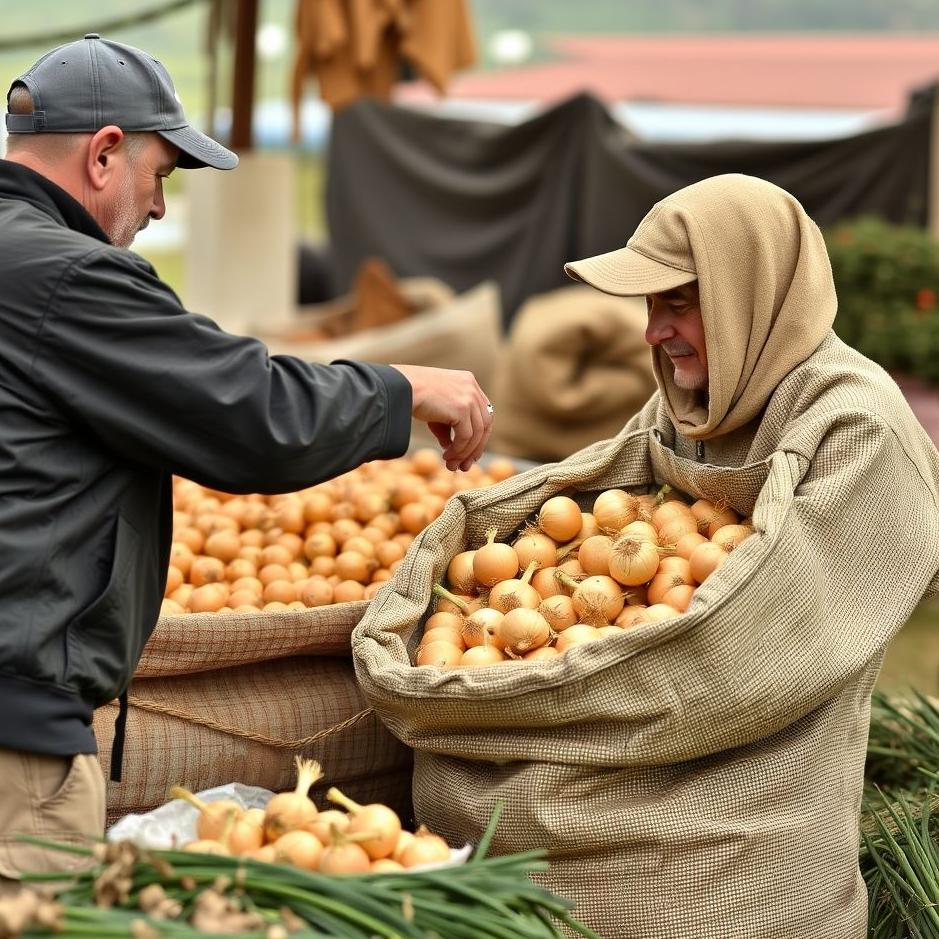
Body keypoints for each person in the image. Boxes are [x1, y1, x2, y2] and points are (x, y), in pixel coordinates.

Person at [0, 34, 492, 894]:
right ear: (105, 152)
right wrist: (401, 389)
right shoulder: (65, 276)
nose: (158, 207)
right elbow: (248, 412)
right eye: (161, 174)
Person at [559, 174, 939, 936]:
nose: (650, 333)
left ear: (747, 291)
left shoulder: (856, 428)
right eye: (648, 304)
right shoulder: (695, 406)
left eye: (676, 302)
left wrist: (552, 697)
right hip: (637, 782)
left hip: (757, 843)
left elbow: (758, 655)